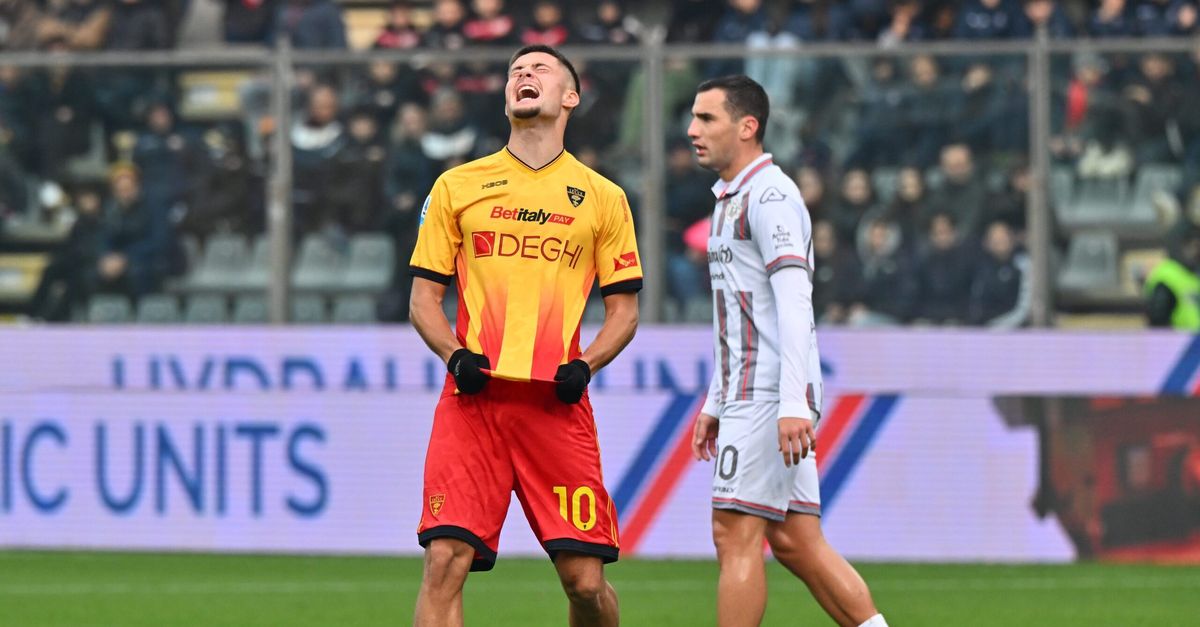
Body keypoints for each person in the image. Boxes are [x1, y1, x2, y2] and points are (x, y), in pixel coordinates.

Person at [408, 44, 641, 627]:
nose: (523, 75)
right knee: (445, 560)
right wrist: (454, 355)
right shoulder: (457, 185)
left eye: (539, 69)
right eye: (515, 71)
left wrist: (585, 364)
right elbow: (422, 301)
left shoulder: (603, 197)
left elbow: (624, 312)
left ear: (570, 96)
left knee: (585, 583)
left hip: (554, 408)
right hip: (473, 403)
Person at [686, 74, 887, 627]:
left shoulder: (770, 196)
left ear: (746, 127)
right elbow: (741, 315)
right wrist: (715, 400)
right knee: (796, 540)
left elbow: (796, 302)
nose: (692, 130)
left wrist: (792, 400)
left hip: (770, 393)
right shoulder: (730, 199)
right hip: (753, 390)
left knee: (733, 533)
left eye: (707, 118)